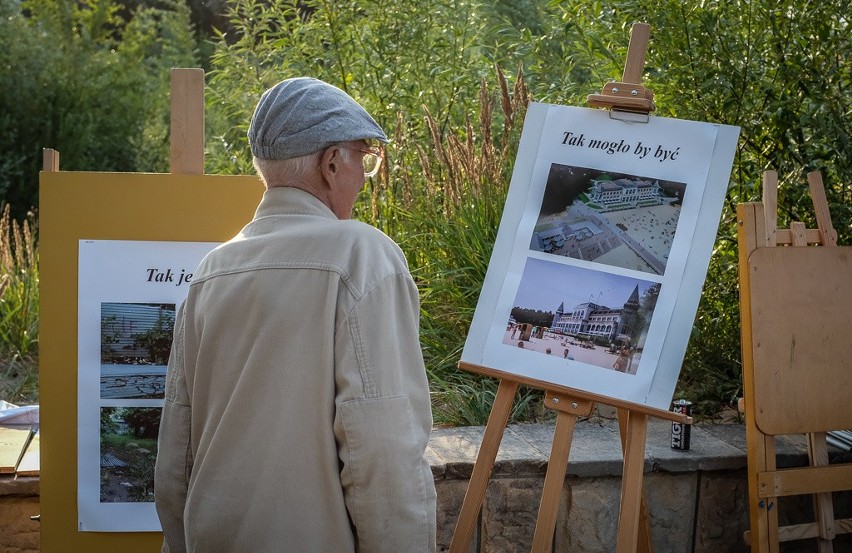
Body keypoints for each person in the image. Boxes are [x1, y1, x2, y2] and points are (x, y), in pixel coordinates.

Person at [154, 77, 437, 553]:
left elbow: (175, 456)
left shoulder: (212, 270)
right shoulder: (361, 256)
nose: (365, 176)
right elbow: (382, 452)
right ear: (331, 163)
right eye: (364, 158)